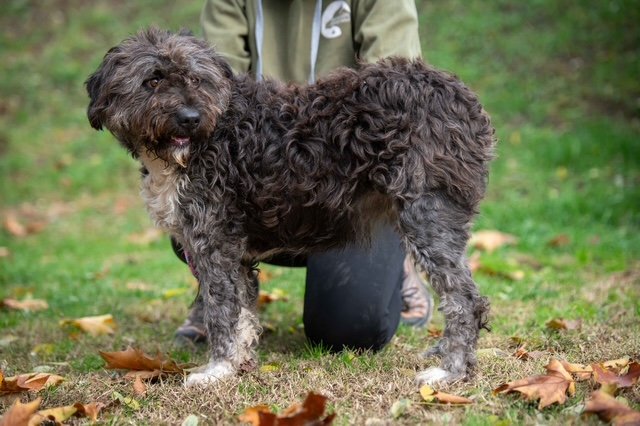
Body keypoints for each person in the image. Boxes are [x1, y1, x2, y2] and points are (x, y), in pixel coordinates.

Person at [173, 0, 434, 352]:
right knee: (190, 200)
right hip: (260, 170)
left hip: (349, 180)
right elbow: (215, 90)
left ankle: (399, 263)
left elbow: (393, 96)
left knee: (348, 332)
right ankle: (224, 291)